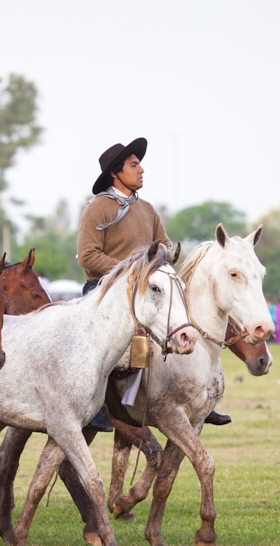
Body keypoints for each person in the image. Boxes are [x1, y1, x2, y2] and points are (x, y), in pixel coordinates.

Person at [76, 138, 229, 428]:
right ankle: (93, 406)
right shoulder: (98, 208)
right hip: (107, 293)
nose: (141, 169)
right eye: (134, 165)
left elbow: (164, 243)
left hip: (147, 293)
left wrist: (165, 256)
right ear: (115, 173)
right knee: (102, 350)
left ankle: (196, 400)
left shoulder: (147, 208)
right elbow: (87, 256)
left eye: (139, 164)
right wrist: (132, 271)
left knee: (183, 325)